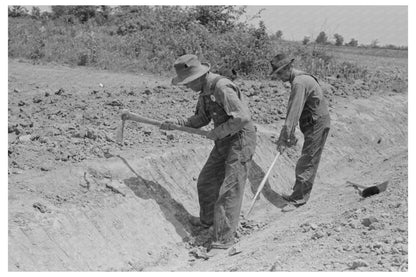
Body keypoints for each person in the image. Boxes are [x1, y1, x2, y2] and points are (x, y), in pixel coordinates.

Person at [161, 54, 257, 250]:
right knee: (206, 181)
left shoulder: (221, 87)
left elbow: (243, 117)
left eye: (187, 83)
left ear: (198, 77)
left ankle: (223, 239)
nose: (186, 87)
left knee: (229, 189)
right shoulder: (204, 92)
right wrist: (178, 124)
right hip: (224, 140)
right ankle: (208, 221)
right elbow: (201, 118)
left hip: (240, 140)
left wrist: (218, 132)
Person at [270, 53, 331, 212]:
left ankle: (299, 199)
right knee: (307, 158)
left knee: (308, 159)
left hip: (317, 123)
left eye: (280, 73)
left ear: (288, 68)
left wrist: (285, 136)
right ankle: (297, 194)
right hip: (312, 122)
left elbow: (293, 112)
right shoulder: (298, 79)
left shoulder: (299, 82)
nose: (279, 77)